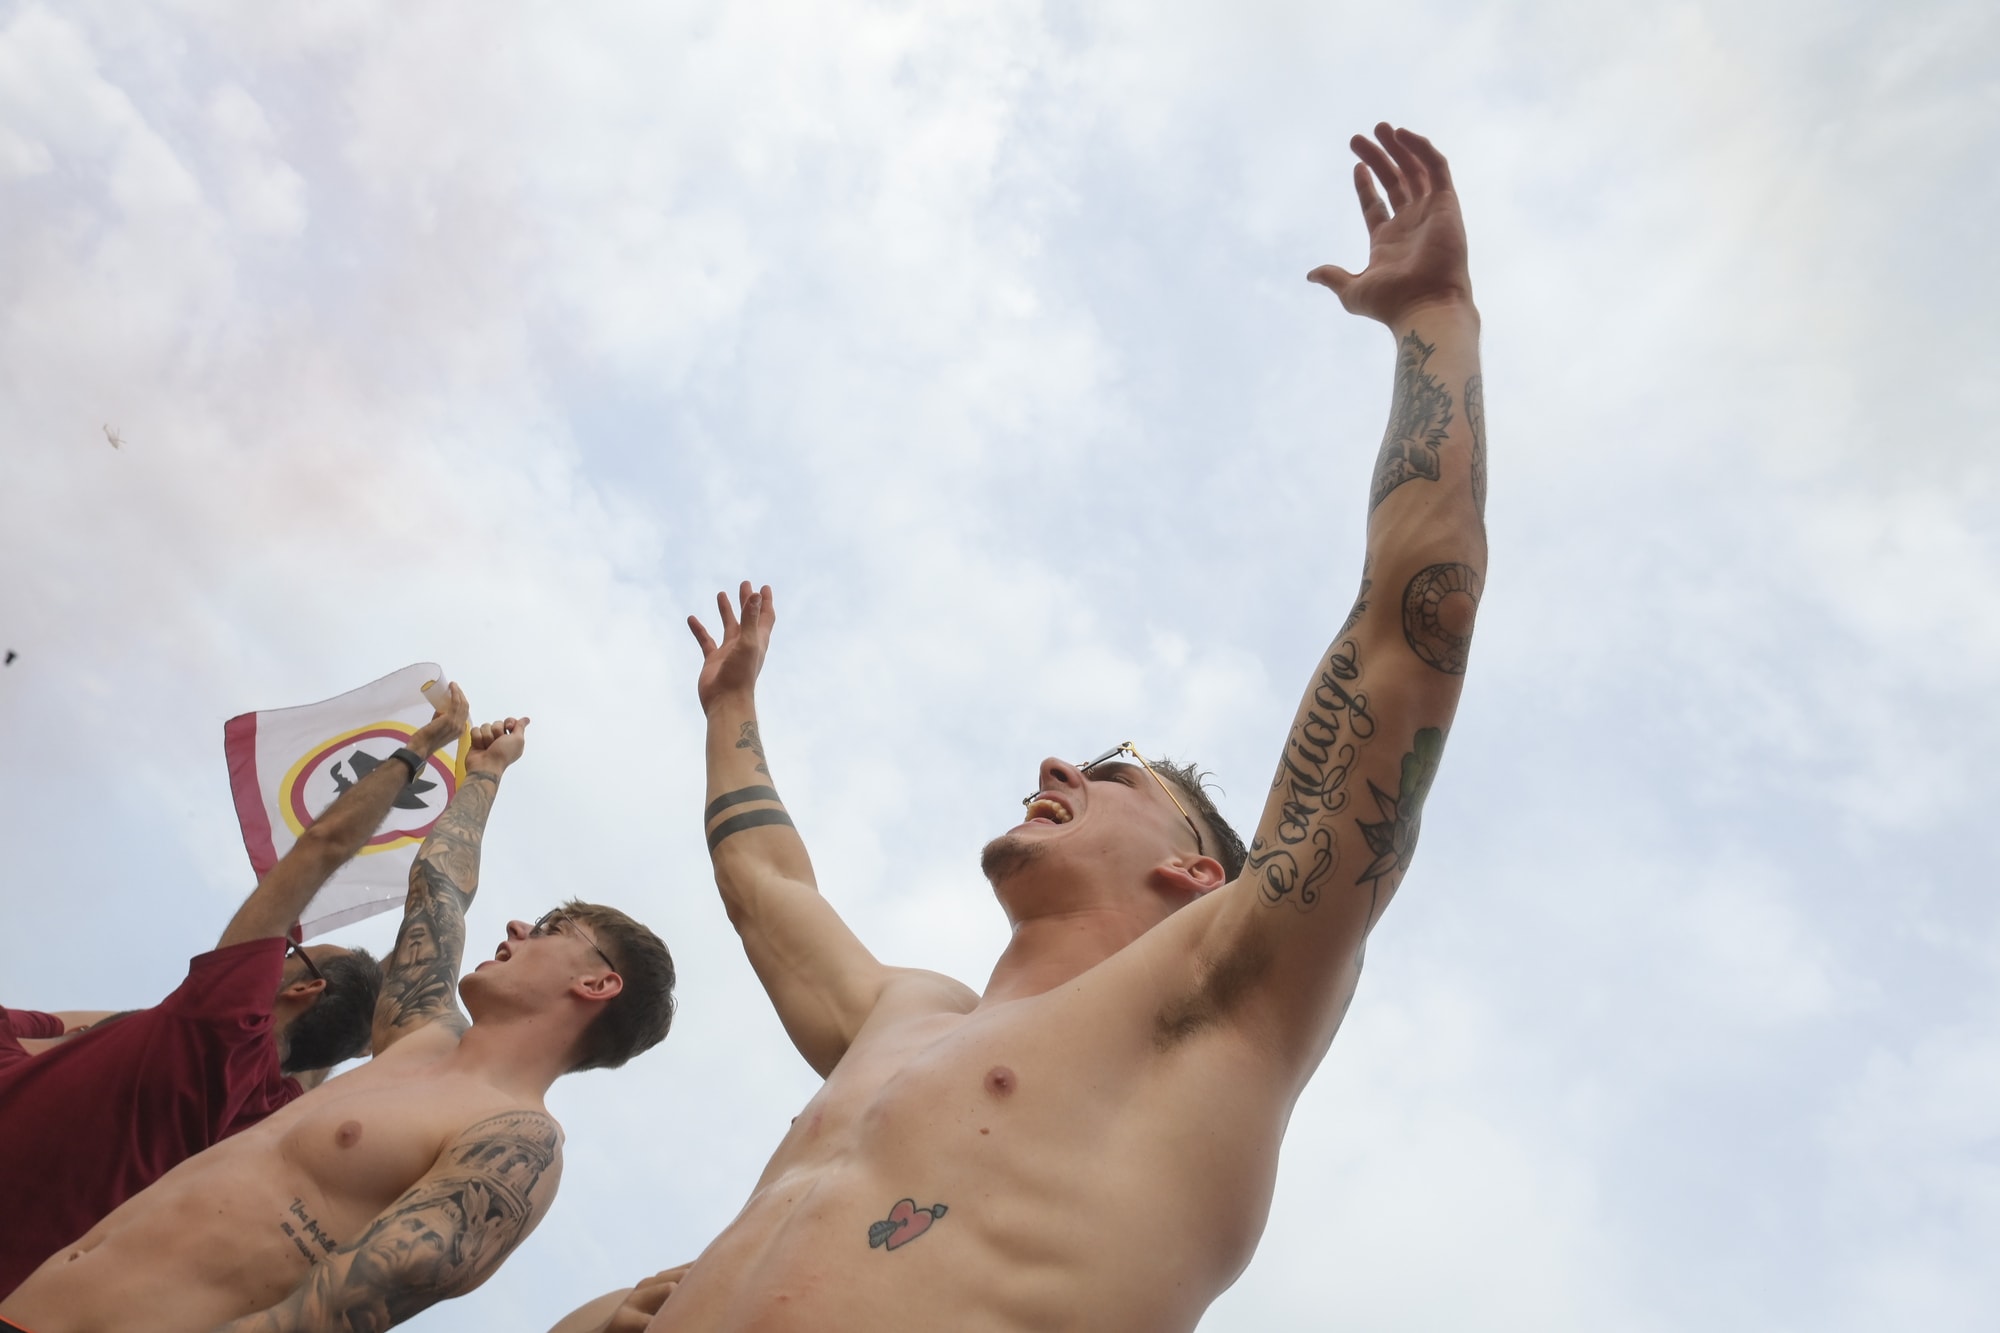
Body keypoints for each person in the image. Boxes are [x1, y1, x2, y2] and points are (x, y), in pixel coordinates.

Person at [649, 124, 1486, 1331]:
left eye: (1111, 773)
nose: (1053, 765)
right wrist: (730, 710)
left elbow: (1407, 637)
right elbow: (764, 885)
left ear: (1192, 871)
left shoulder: (1216, 998)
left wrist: (1433, 319)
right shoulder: (900, 1016)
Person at [0, 709, 679, 1332]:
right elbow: (438, 890)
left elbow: (340, 1311)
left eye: (553, 927)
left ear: (597, 983)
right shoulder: (420, 1036)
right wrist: (484, 774)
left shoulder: (518, 1140)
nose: (519, 926)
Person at [0, 687, 479, 1296]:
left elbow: (324, 847)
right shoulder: (265, 1123)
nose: (279, 951)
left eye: (291, 955)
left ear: (305, 988)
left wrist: (421, 748)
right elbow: (359, 1028)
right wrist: (476, 794)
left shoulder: (220, 1029)